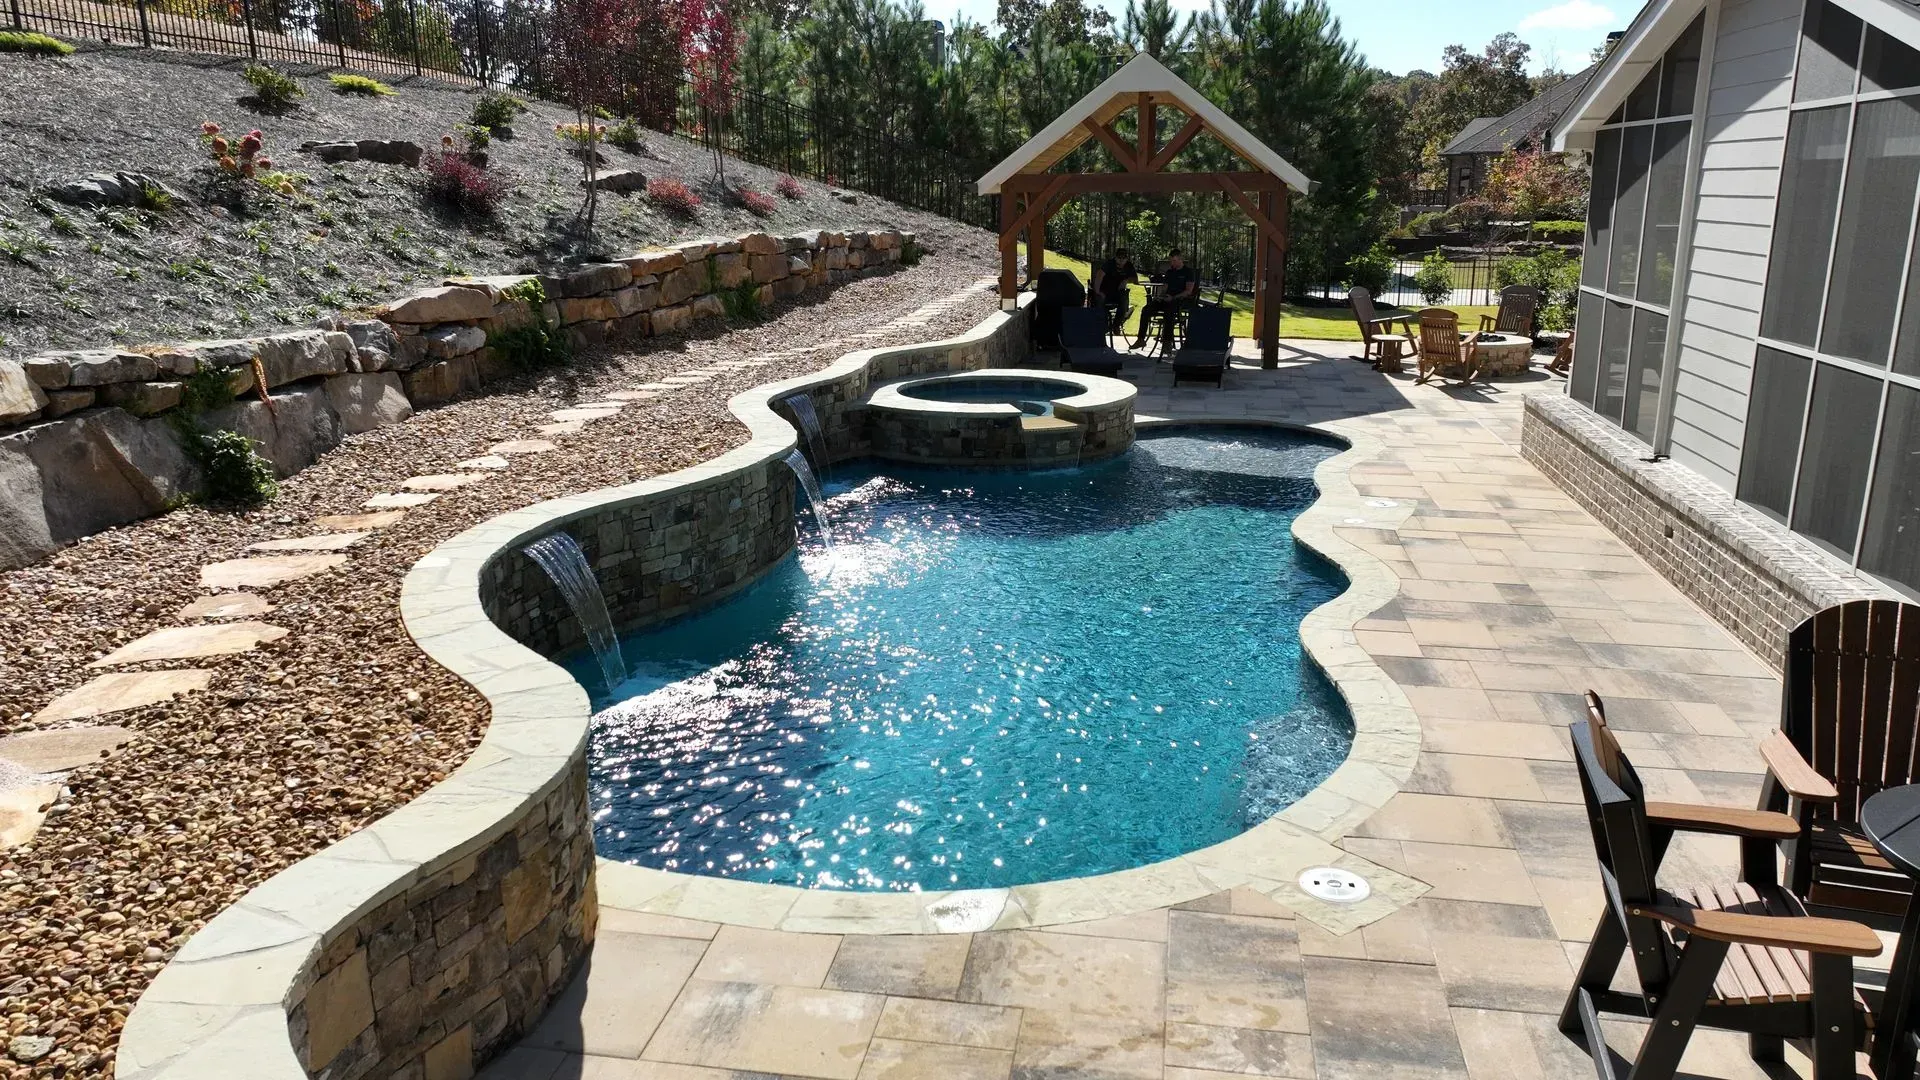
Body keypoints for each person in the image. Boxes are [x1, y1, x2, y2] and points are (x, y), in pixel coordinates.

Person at [1133, 249, 1197, 350]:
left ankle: (1167, 341)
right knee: (1146, 309)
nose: (1172, 263)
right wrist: (1160, 296)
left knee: (1169, 310)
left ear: (1180, 260)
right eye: (1171, 261)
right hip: (1166, 298)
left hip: (1180, 300)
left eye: (1174, 261)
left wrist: (1174, 297)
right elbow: (1165, 287)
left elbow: (1188, 291)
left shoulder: (1188, 272)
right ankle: (1141, 339)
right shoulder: (1170, 272)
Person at [1089, 247, 1138, 332]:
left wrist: (1126, 280)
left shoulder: (1129, 266)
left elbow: (1135, 280)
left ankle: (1116, 325)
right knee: (1099, 301)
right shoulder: (1109, 264)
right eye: (1119, 258)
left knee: (1124, 300)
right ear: (1115, 257)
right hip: (1105, 291)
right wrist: (1097, 291)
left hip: (1118, 293)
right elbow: (1099, 276)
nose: (1121, 260)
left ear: (1126, 259)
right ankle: (1103, 327)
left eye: (1124, 258)